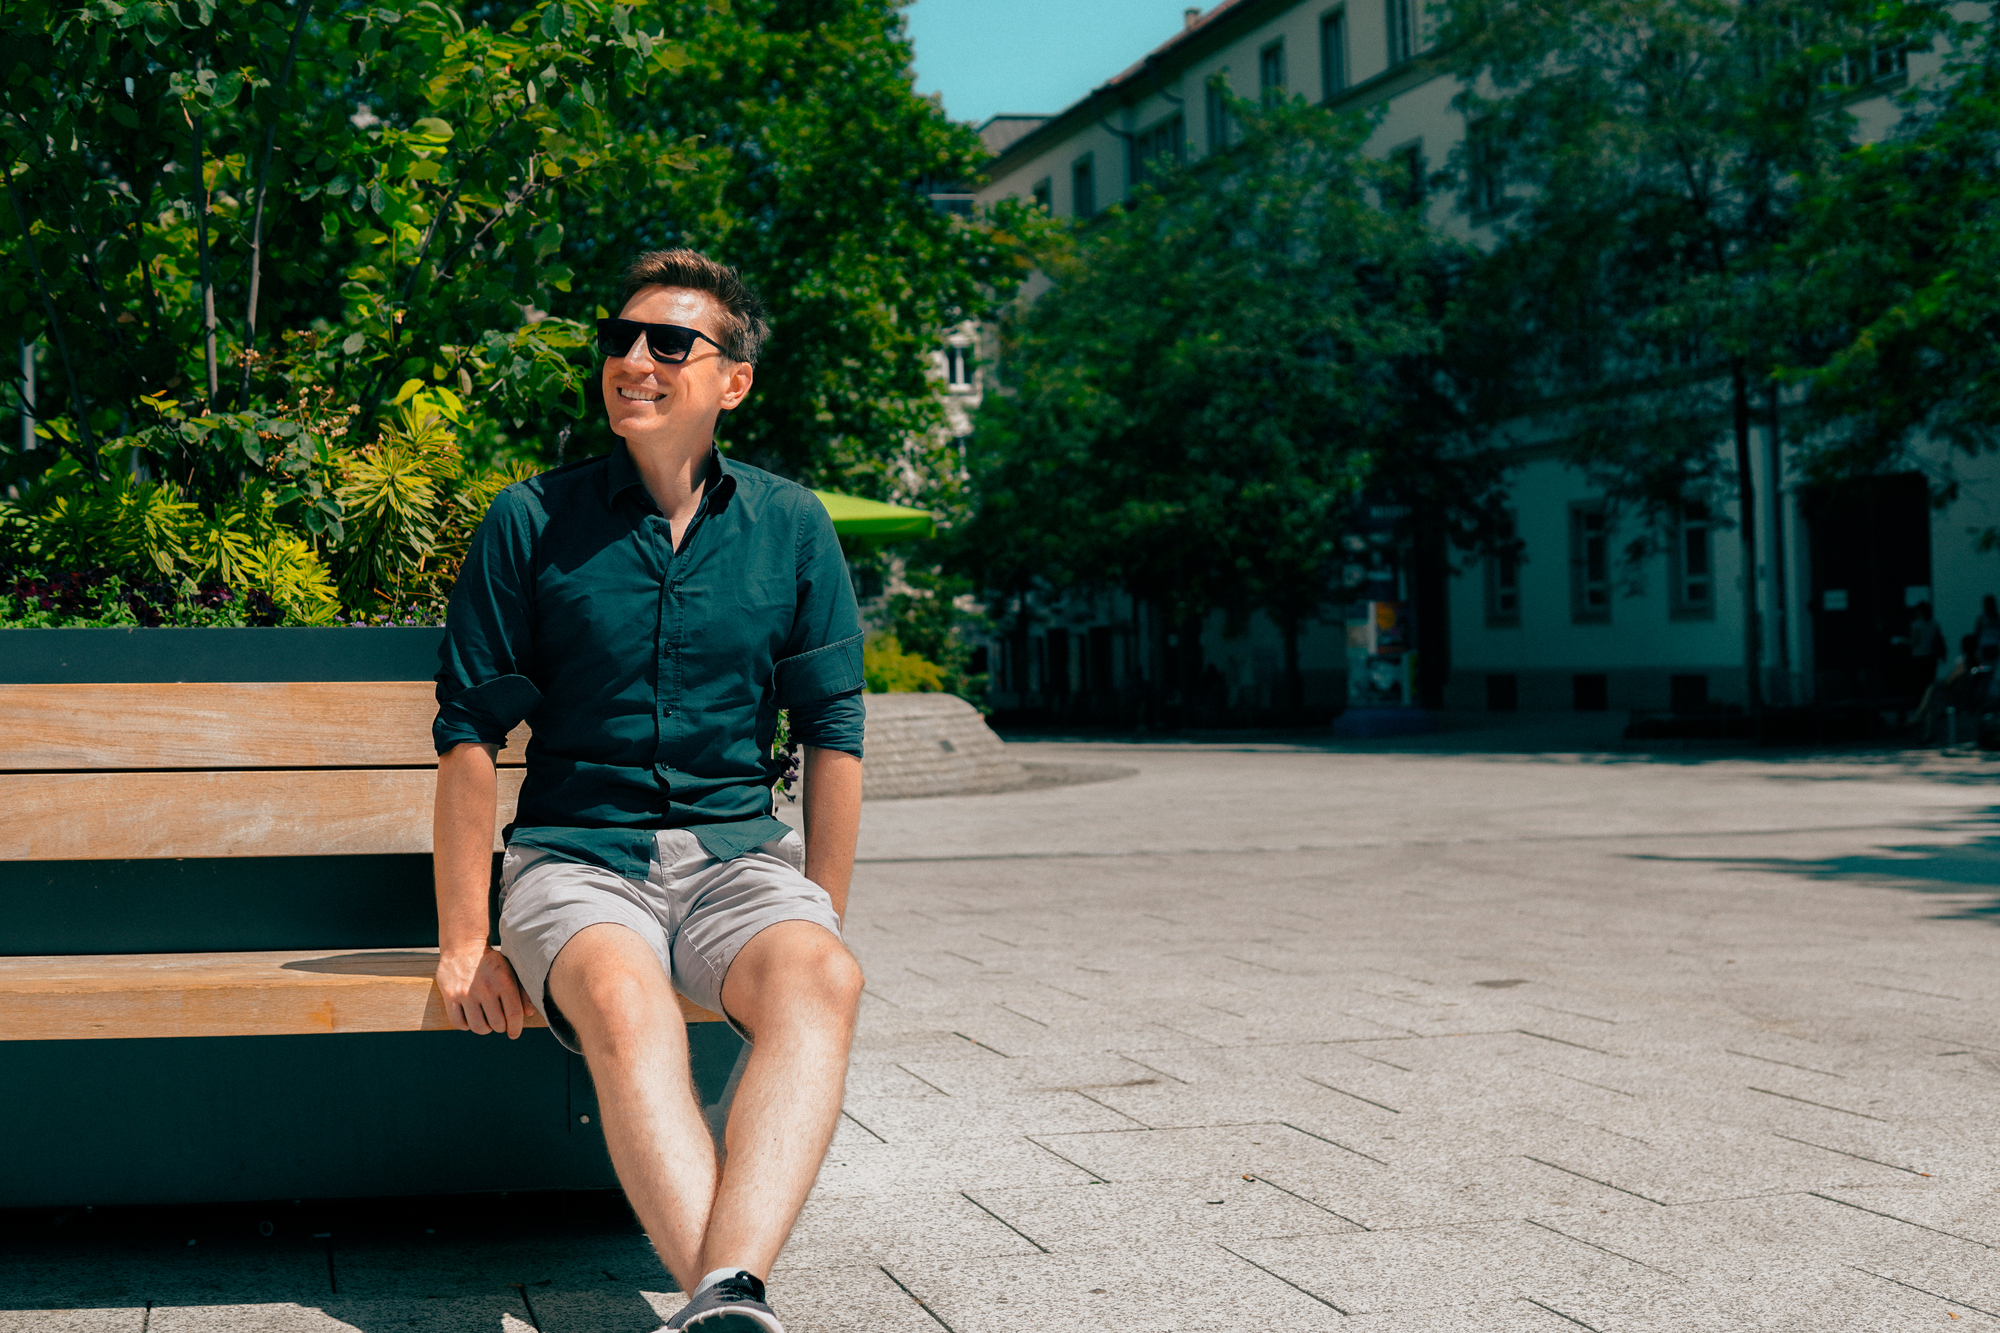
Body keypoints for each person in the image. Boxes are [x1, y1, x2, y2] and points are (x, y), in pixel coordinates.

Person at [430, 249, 866, 1333]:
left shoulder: (791, 524)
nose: (634, 359)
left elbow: (832, 735)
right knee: (627, 1000)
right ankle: (731, 1300)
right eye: (619, 339)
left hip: (737, 860)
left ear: (733, 380)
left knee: (822, 976)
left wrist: (819, 911)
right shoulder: (530, 520)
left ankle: (719, 1302)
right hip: (578, 860)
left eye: (669, 343)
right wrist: (465, 938)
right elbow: (469, 735)